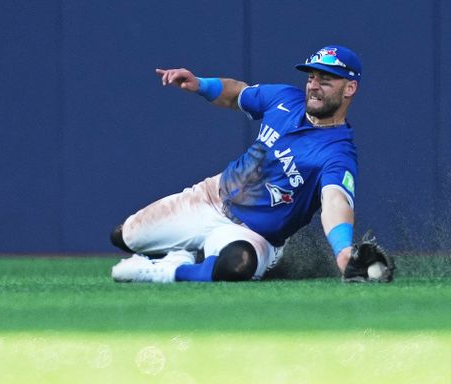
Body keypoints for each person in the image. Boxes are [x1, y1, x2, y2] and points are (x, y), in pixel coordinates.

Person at [110, 45, 362, 283]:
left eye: (326, 80)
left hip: (255, 235)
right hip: (210, 199)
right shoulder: (285, 99)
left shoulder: (338, 153)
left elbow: (335, 201)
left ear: (349, 88)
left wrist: (343, 251)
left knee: (237, 264)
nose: (314, 86)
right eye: (311, 78)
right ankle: (188, 252)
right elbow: (236, 94)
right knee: (124, 236)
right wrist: (200, 84)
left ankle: (169, 270)